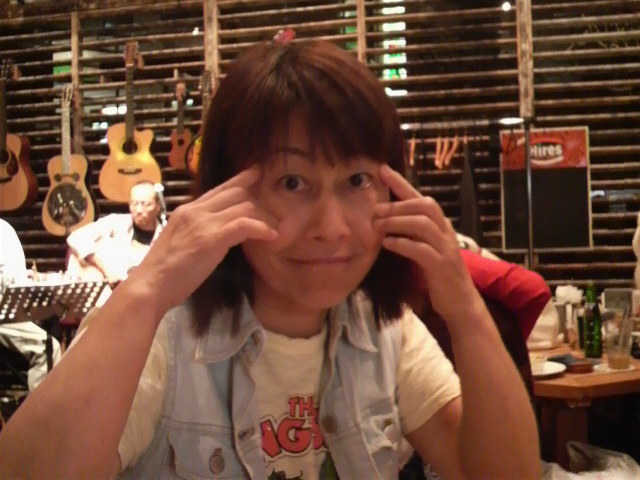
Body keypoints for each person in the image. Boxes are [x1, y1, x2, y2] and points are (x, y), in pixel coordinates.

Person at [0, 40, 540, 479]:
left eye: (356, 179)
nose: (332, 228)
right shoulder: (160, 336)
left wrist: (466, 310)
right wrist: (145, 290)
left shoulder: (383, 330)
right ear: (224, 193)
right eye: (292, 182)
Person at [0, 219, 61, 392]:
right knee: (47, 348)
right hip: (3, 312)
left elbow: (11, 277)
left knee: (52, 328)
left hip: (9, 307)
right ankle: (40, 408)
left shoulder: (4, 228)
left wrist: (27, 280)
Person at [66, 181, 164, 282]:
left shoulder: (165, 239)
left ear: (158, 206)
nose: (139, 210)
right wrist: (101, 265)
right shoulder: (116, 222)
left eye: (146, 204)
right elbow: (76, 237)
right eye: (134, 203)